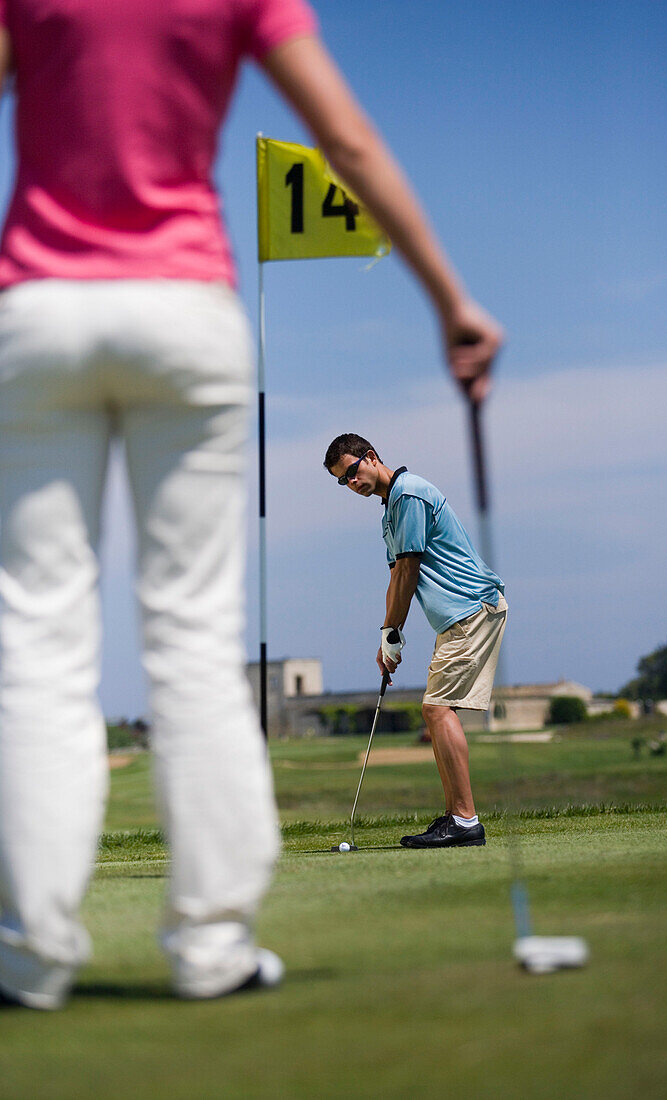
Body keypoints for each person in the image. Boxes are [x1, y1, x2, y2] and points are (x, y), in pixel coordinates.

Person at [0, 0, 503, 1009]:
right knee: (192, 632)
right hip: (187, 312)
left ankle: (27, 951)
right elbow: (346, 138)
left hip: (39, 311)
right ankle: (211, 943)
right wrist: (449, 298)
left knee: (36, 633)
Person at [324, 435, 507, 849]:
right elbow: (395, 579)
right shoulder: (390, 511)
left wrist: (394, 633)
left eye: (353, 471)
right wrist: (387, 637)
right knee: (435, 711)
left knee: (437, 709)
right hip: (457, 617)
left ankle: (464, 820)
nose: (352, 483)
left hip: (472, 608)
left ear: (372, 458)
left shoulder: (409, 494)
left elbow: (409, 571)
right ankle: (455, 816)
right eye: (343, 481)